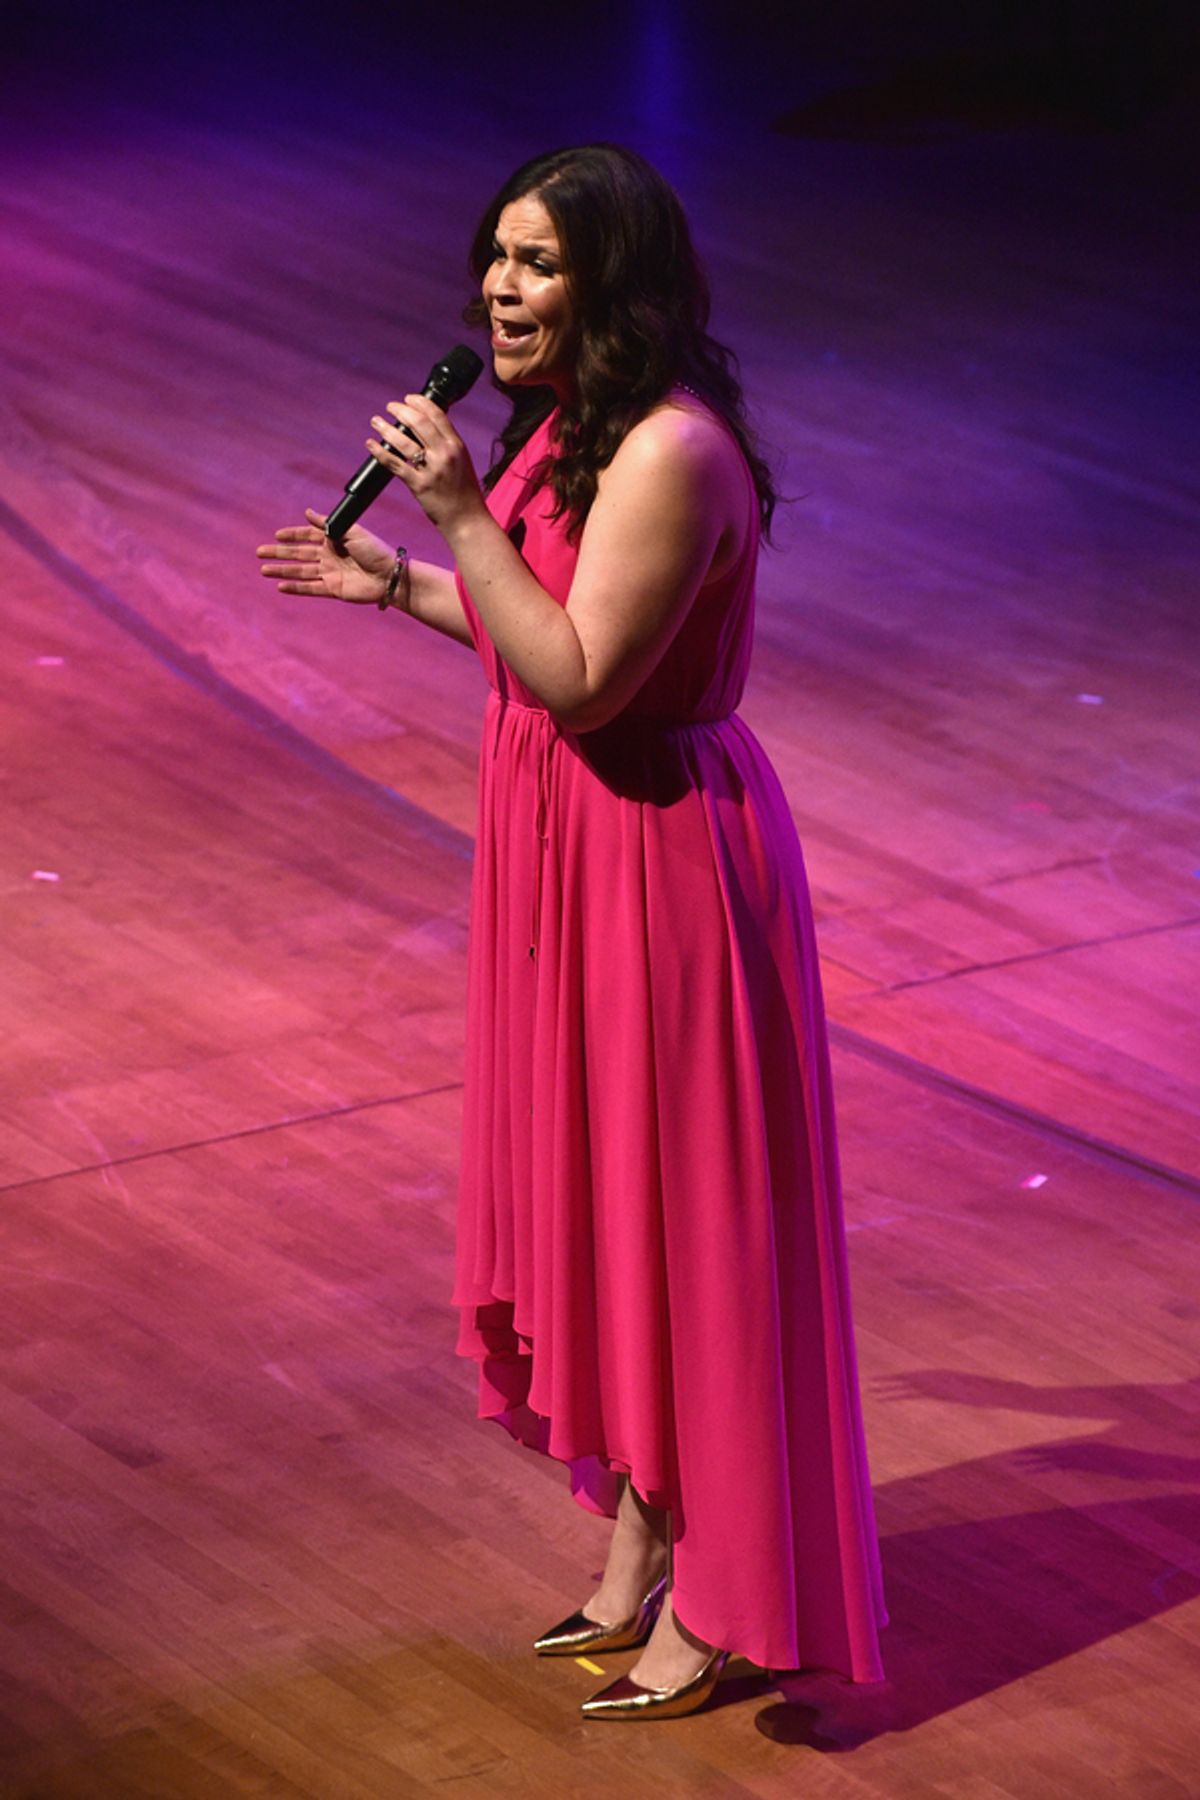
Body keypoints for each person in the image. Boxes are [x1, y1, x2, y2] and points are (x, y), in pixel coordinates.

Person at [258, 142, 886, 1720]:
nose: (499, 286)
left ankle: (729, 1596)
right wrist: (401, 581)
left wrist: (456, 510)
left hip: (658, 861)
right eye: (497, 254)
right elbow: (532, 622)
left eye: (537, 261)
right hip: (570, 850)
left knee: (683, 1229)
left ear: (614, 284)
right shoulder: (566, 432)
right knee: (613, 1215)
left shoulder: (672, 452)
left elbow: (588, 680)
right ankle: (642, 1545)